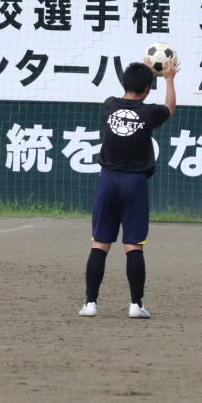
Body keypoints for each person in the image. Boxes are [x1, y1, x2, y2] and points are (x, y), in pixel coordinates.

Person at [78, 59, 178, 319]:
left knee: (100, 243)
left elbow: (132, 90)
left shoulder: (109, 105)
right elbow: (170, 108)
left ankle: (90, 303)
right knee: (133, 245)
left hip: (107, 180)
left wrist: (144, 72)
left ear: (124, 82)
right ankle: (136, 305)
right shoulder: (149, 113)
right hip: (134, 183)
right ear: (148, 87)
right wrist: (168, 78)